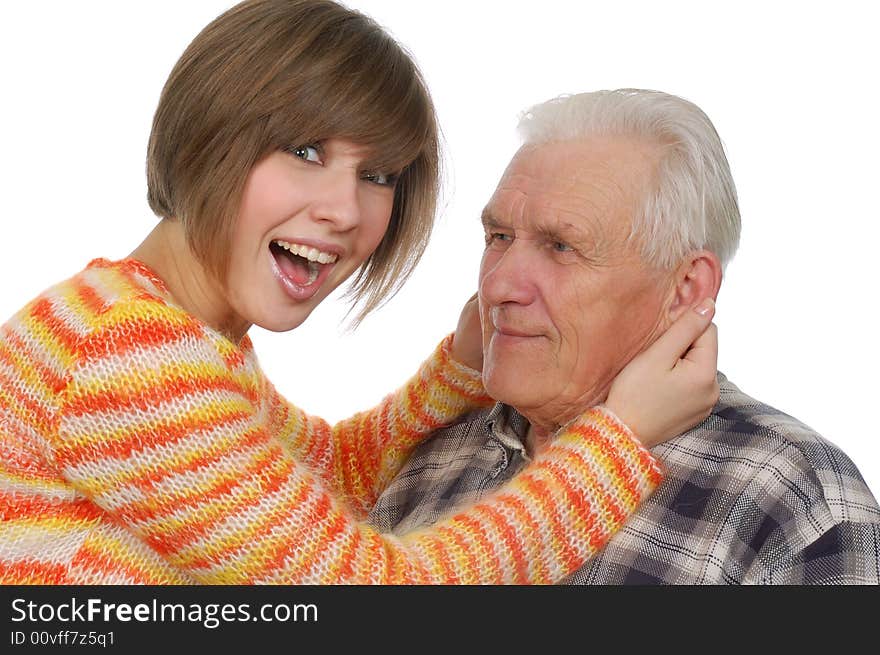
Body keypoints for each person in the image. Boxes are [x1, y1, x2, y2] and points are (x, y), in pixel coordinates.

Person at [0, 3, 718, 585]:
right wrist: (616, 445)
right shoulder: (130, 357)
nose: (345, 210)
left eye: (377, 174)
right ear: (205, 138)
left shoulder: (172, 331)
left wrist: (456, 371)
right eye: (305, 151)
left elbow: (331, 475)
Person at [368, 89, 880, 584]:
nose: (497, 285)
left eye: (562, 246)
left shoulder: (793, 497)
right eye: (498, 237)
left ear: (685, 288)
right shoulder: (428, 456)